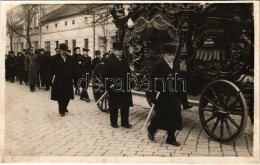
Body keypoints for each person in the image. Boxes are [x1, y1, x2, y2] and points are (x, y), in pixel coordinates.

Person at [147, 43, 183, 146]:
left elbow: (179, 80)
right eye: (170, 55)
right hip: (162, 96)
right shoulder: (157, 66)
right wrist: (152, 96)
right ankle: (151, 129)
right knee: (160, 116)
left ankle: (171, 138)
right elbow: (152, 82)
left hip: (175, 96)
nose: (172, 57)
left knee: (175, 117)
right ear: (164, 55)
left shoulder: (176, 66)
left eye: (173, 55)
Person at [103, 42, 133, 128]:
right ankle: (114, 122)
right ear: (114, 51)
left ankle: (125, 122)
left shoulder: (124, 60)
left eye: (121, 50)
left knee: (125, 105)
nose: (121, 52)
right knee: (114, 105)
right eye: (118, 50)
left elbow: (128, 72)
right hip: (114, 86)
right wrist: (109, 84)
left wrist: (130, 81)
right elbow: (104, 75)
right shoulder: (109, 61)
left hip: (124, 86)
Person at [49, 43, 77, 116]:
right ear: (59, 50)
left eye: (65, 50)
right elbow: (50, 71)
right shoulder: (54, 58)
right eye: (62, 50)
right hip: (59, 81)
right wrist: (50, 81)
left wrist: (76, 79)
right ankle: (61, 110)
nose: (64, 52)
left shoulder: (71, 58)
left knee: (68, 96)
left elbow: (74, 70)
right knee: (60, 96)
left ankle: (64, 106)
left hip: (68, 81)